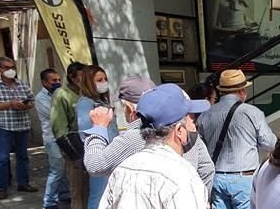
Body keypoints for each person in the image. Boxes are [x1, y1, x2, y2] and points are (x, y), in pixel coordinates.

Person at [196, 69, 277, 209]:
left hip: (217, 177)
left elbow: (200, 149)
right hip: (244, 178)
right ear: (242, 91)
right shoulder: (252, 113)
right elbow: (269, 143)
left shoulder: (205, 115)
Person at [85, 76, 215, 193]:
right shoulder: (187, 130)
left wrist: (98, 128)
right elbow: (207, 168)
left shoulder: (135, 137)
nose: (193, 120)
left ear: (129, 108)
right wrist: (200, 201)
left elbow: (95, 166)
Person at [0, 56, 36, 200]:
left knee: (22, 156)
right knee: (3, 158)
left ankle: (23, 183)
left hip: (22, 124)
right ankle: (1, 187)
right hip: (4, 126)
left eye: (12, 67)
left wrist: (25, 105)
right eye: (7, 68)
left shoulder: (22, 84)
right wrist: (9, 104)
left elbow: (31, 101)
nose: (10, 70)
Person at [75, 65, 117, 209]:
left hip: (111, 151)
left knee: (106, 192)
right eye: (99, 80)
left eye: (104, 79)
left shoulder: (101, 101)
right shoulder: (86, 103)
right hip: (100, 153)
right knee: (98, 193)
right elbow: (86, 131)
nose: (103, 83)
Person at [51, 61, 88, 209]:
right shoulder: (62, 94)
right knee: (77, 184)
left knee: (90, 183)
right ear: (72, 77)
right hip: (74, 146)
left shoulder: (87, 93)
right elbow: (59, 127)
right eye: (81, 76)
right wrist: (72, 151)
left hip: (90, 143)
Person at [35, 69, 69, 209]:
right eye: (53, 81)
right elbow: (57, 114)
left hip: (64, 135)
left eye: (58, 80)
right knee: (57, 170)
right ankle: (49, 201)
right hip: (52, 138)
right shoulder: (41, 98)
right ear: (44, 82)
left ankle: (64, 194)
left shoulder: (62, 93)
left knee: (64, 167)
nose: (57, 83)